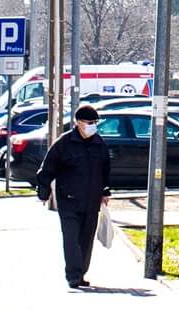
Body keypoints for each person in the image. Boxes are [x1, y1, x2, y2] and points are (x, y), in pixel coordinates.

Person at [33, 104, 112, 289]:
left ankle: (81, 272)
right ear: (78, 123)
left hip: (91, 201)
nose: (92, 126)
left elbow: (106, 170)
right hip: (68, 199)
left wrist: (105, 191)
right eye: (89, 122)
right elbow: (47, 168)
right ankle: (74, 275)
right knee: (71, 238)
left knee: (86, 239)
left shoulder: (99, 144)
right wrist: (43, 192)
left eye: (95, 122)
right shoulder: (64, 143)